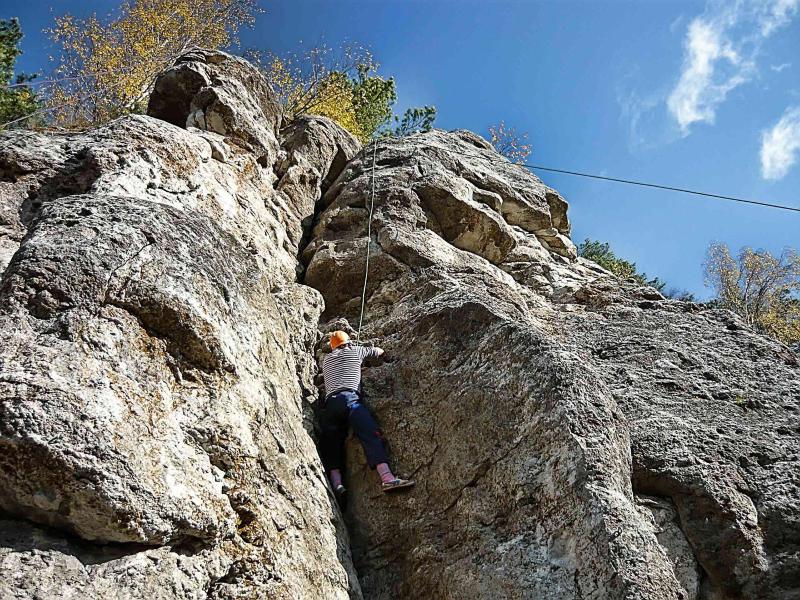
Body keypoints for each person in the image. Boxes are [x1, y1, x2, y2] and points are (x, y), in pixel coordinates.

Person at [319, 330, 414, 499]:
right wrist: (385, 357)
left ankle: (337, 484)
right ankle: (387, 478)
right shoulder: (356, 350)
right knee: (371, 434)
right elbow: (377, 351)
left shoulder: (327, 360)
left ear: (333, 347)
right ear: (348, 343)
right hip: (350, 400)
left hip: (330, 405)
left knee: (332, 444)